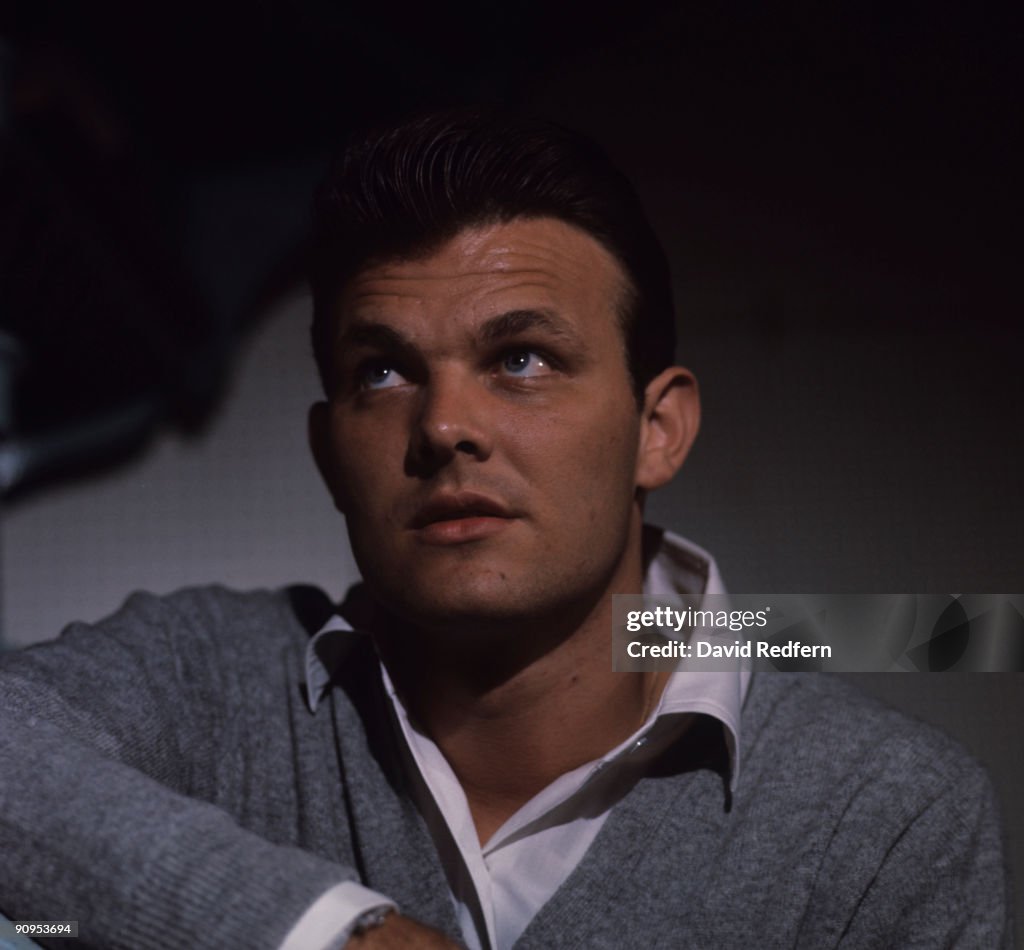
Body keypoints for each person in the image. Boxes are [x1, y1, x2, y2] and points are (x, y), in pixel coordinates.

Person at [0, 109, 1011, 949]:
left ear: (657, 429)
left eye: (522, 358)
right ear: (326, 452)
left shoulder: (879, 819)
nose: (444, 426)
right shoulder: (211, 680)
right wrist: (338, 935)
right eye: (381, 372)